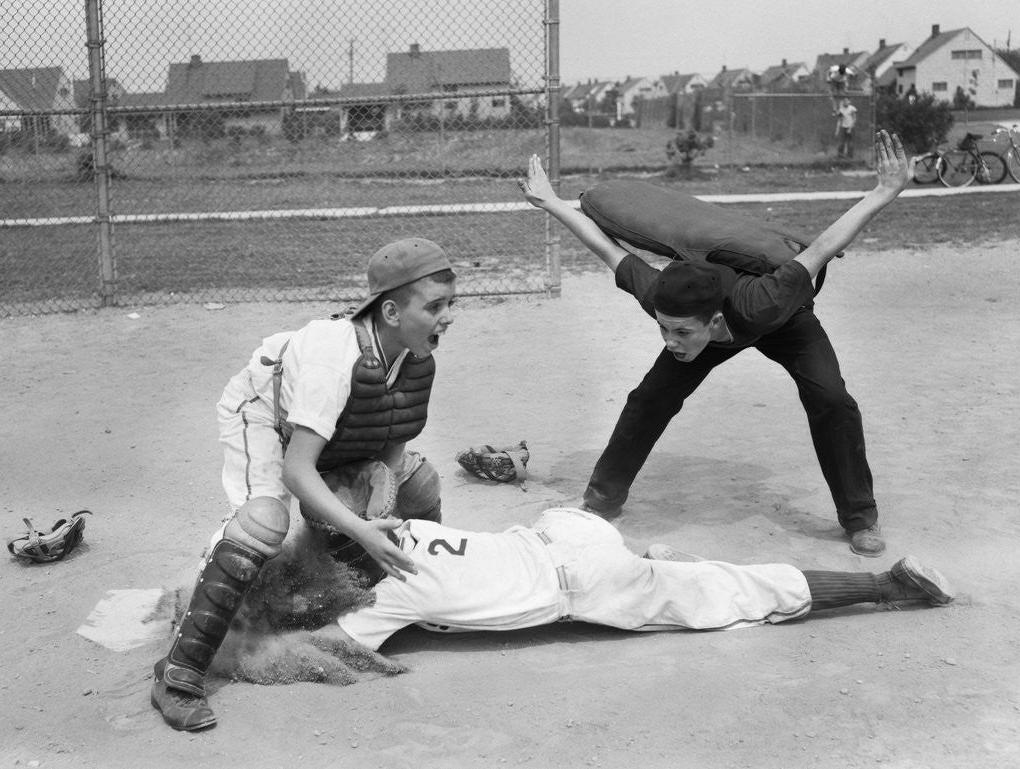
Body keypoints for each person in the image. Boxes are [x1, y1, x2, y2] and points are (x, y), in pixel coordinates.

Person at [517, 131, 917, 558]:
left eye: (680, 333)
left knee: (831, 398)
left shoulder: (764, 302)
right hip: (710, 318)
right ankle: (601, 501)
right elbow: (604, 246)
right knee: (648, 398)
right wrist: (552, 202)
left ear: (715, 322)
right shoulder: (662, 297)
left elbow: (822, 247)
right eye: (663, 329)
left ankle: (859, 517)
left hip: (785, 322)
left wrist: (883, 192)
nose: (670, 342)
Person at [150, 237, 458, 731]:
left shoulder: (415, 357)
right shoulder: (331, 363)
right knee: (265, 524)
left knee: (417, 484)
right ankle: (179, 672)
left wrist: (375, 507)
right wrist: (359, 529)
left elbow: (389, 442)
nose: (448, 317)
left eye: (451, 304)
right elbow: (297, 470)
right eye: (435, 306)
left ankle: (392, 595)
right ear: (393, 312)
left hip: (323, 426)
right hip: (265, 417)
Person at [325, 506, 955, 652]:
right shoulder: (393, 524)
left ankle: (885, 586)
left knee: (737, 594)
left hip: (587, 579)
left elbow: (330, 649)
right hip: (567, 528)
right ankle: (665, 565)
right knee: (671, 574)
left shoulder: (390, 592)